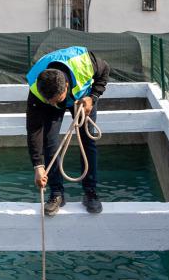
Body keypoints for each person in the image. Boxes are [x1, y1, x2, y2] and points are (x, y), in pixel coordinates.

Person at [26, 46, 110, 216]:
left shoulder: (85, 63)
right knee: (49, 142)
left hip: (83, 98)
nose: (54, 104)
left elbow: (105, 71)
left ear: (65, 86)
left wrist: (92, 97)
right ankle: (56, 193)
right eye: (50, 101)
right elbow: (34, 128)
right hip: (54, 95)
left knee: (88, 140)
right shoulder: (37, 88)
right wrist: (37, 165)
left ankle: (90, 192)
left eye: (58, 100)